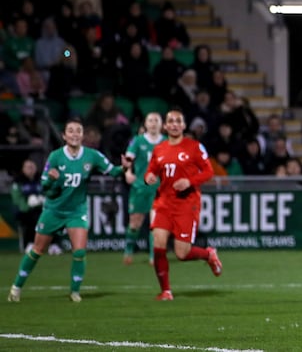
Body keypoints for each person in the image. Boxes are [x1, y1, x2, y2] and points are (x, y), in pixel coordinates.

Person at [8, 118, 131, 303]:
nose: (75, 134)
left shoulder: (92, 155)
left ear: (82, 135)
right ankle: (16, 287)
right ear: (64, 136)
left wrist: (124, 167)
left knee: (80, 252)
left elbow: (112, 171)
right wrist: (51, 180)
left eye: (78, 131)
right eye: (71, 131)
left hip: (76, 210)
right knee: (37, 250)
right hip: (53, 210)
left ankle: (74, 292)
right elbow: (44, 187)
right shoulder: (55, 157)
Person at [144, 108, 221, 301]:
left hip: (187, 204)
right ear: (165, 125)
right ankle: (166, 291)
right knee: (159, 246)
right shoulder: (159, 149)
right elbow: (150, 171)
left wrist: (190, 181)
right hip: (163, 203)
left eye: (178, 121)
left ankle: (208, 254)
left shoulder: (194, 147)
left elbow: (208, 171)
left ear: (184, 125)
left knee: (181, 253)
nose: (174, 124)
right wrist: (149, 177)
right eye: (171, 121)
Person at [122, 111, 165, 265]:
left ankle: (154, 256)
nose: (153, 123)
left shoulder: (166, 142)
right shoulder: (138, 141)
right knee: (135, 223)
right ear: (145, 124)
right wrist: (127, 172)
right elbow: (128, 159)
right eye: (150, 120)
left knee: (156, 224)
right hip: (140, 187)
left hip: (159, 189)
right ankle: (128, 249)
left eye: (156, 120)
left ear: (162, 125)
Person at [9, 159, 46, 253]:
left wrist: (42, 201)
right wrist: (28, 205)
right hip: (23, 211)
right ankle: (29, 243)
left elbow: (48, 192)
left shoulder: (41, 179)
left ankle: (53, 245)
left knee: (51, 218)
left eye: (32, 167)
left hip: (41, 209)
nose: (31, 169)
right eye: (28, 167)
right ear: (23, 169)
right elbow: (17, 198)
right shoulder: (18, 181)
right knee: (31, 218)